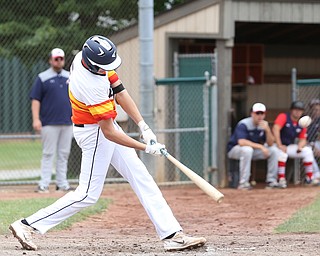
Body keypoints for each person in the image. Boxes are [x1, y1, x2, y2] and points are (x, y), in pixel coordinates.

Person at [9, 35, 206, 252]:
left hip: (102, 128)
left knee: (141, 177)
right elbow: (109, 132)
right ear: (92, 64)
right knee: (87, 195)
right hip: (94, 134)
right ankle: (27, 225)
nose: (107, 69)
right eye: (103, 67)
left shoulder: (88, 59)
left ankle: (171, 234)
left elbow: (121, 92)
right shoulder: (89, 83)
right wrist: (146, 148)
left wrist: (143, 127)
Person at [30, 48, 73, 193]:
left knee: (64, 154)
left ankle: (62, 183)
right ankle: (44, 184)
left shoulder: (70, 77)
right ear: (50, 60)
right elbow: (36, 100)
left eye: (61, 58)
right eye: (56, 59)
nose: (59, 61)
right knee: (48, 153)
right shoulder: (42, 77)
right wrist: (36, 119)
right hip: (49, 122)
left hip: (67, 122)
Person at [227, 103, 279, 190]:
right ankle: (243, 183)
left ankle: (271, 181)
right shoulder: (244, 124)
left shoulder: (264, 125)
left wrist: (268, 130)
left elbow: (270, 144)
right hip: (234, 150)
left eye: (262, 113)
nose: (259, 116)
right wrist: (261, 147)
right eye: (257, 113)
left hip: (253, 150)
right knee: (247, 150)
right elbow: (241, 142)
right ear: (252, 114)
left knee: (273, 150)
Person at [272, 101, 320, 188]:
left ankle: (309, 178)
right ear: (291, 110)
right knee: (281, 154)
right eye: (295, 109)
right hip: (276, 145)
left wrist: (300, 147)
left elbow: (303, 139)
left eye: (300, 110)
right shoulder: (284, 117)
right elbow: (276, 129)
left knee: (307, 151)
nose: (298, 112)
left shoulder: (302, 122)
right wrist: (279, 145)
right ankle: (281, 179)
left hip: (289, 146)